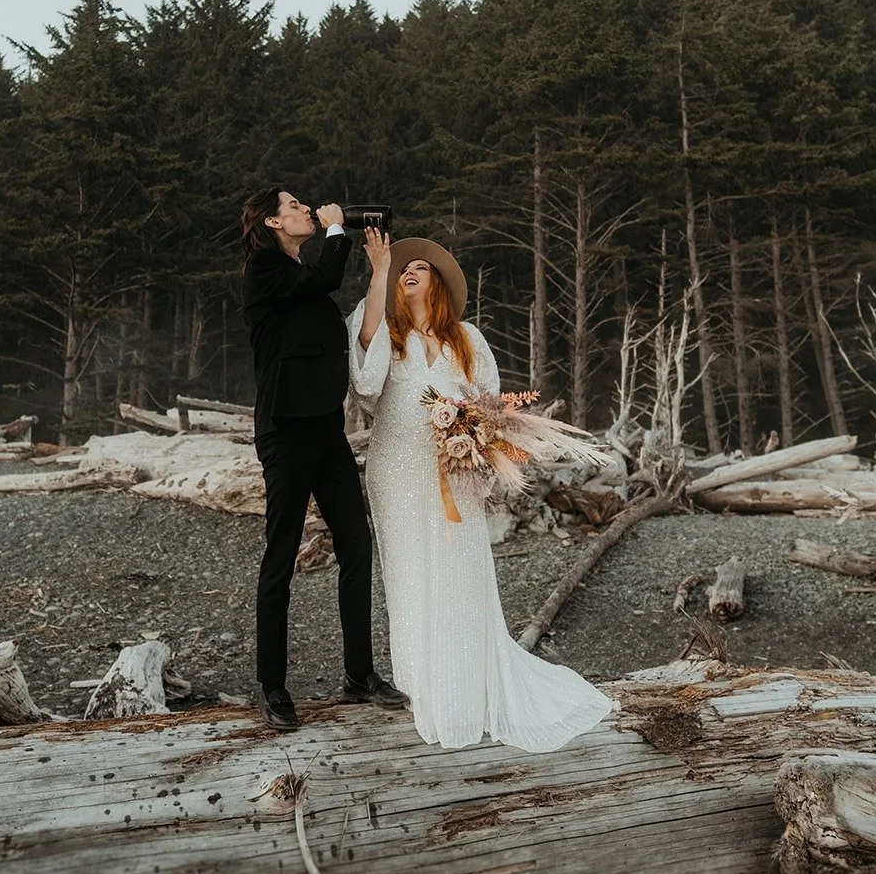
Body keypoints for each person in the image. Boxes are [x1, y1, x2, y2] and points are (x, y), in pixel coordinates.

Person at [348, 227, 615, 752]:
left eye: (418, 268)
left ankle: (464, 689)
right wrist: (377, 274)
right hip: (396, 468)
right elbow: (367, 385)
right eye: (402, 268)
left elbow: (493, 409)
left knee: (458, 570)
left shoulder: (468, 339)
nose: (409, 271)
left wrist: (474, 439)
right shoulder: (380, 327)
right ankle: (422, 686)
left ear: (439, 283)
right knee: (408, 572)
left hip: (455, 469)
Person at [241, 188, 408, 732]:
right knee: (282, 553)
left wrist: (379, 268)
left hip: (326, 430)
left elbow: (338, 317)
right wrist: (339, 229)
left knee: (356, 546)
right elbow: (325, 277)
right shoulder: (265, 270)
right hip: (285, 431)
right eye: (295, 206)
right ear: (272, 221)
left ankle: (359, 676)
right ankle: (271, 686)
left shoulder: (303, 281)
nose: (307, 210)